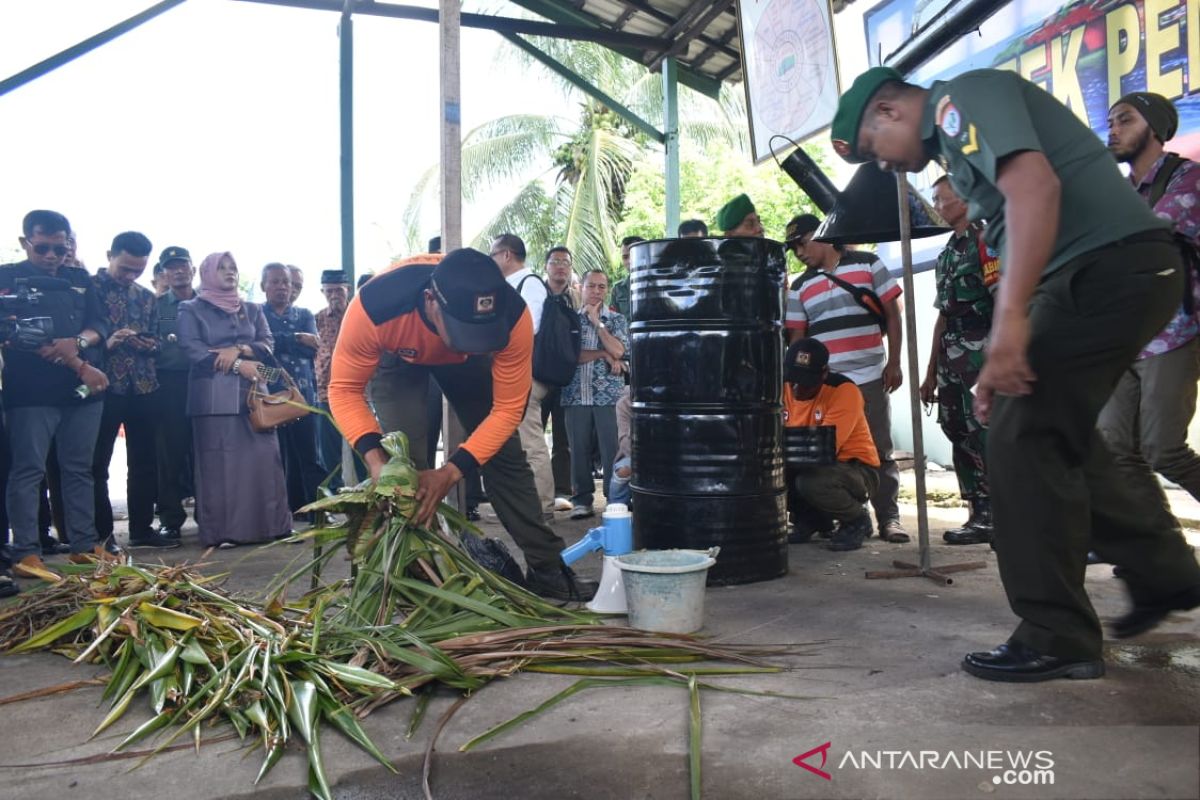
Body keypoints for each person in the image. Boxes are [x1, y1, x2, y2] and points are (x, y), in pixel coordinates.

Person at [831, 65, 1200, 682]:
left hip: (1108, 267)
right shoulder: (957, 138)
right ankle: (1163, 573)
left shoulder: (961, 100)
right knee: (1058, 431)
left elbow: (1034, 189)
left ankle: (1057, 635)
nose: (889, 167)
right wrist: (1008, 347)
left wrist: (1006, 331)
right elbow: (1021, 233)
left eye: (876, 152)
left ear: (890, 112)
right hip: (1097, 275)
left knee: (1020, 437)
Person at [328, 249, 598, 601]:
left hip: (464, 363)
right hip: (398, 356)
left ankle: (547, 568)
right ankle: (418, 575)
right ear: (431, 301)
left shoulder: (511, 316)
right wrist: (376, 461)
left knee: (506, 454)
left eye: (483, 331)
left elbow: (506, 411)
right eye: (465, 330)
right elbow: (344, 390)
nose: (474, 341)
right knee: (404, 468)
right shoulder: (375, 308)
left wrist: (453, 471)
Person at [2, 210, 115, 577]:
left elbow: (101, 323)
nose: (52, 256)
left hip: (82, 392)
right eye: (43, 247)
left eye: (60, 248)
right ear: (25, 243)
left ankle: (83, 545)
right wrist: (70, 358)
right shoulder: (7, 277)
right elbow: (13, 331)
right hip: (32, 391)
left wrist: (77, 343)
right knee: (29, 470)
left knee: (79, 469)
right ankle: (26, 553)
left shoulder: (79, 278)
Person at [1099, 92, 1200, 502]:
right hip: (1124, 339)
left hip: (1171, 332)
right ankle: (1153, 554)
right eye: (1110, 122)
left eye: (1125, 120)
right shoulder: (1120, 193)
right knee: (1115, 449)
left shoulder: (1186, 178)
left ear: (1156, 128)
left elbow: (1146, 233)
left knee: (1164, 450)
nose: (1114, 130)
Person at [783, 213, 908, 543]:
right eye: (793, 249)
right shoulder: (800, 285)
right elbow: (797, 337)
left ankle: (889, 518)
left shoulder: (868, 264)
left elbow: (893, 315)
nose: (798, 252)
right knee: (812, 451)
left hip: (869, 374)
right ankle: (816, 518)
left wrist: (894, 361)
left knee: (879, 448)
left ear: (821, 235)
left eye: (801, 243)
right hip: (824, 384)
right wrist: (794, 379)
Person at [177, 252, 291, 548]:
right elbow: (193, 351)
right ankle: (223, 532)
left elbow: (267, 343)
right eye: (223, 268)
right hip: (213, 401)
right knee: (221, 467)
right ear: (208, 273)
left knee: (265, 462)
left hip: (256, 396)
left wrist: (238, 348)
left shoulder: (252, 309)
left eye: (233, 268)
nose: (230, 273)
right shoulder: (190, 309)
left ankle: (273, 527)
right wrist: (241, 364)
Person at [918, 177, 999, 545]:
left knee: (986, 431)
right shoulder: (947, 252)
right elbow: (942, 316)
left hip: (982, 349)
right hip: (952, 354)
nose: (936, 205)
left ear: (964, 201)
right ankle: (978, 512)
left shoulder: (987, 243)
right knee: (957, 430)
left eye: (941, 198)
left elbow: (1003, 302)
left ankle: (1002, 510)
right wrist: (930, 372)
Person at [91, 231, 177, 550]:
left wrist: (145, 343)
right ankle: (102, 535)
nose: (130, 276)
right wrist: (108, 342)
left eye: (137, 270)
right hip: (104, 386)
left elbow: (159, 341)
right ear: (109, 255)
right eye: (124, 268)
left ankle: (142, 529)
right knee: (97, 463)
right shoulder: (89, 289)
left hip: (144, 385)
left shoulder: (146, 297)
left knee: (145, 461)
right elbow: (79, 339)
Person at [782, 338, 879, 552]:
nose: (798, 388)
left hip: (854, 469)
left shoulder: (844, 390)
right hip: (806, 462)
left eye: (806, 382)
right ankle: (814, 520)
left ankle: (857, 520)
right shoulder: (782, 388)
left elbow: (824, 448)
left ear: (824, 373)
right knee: (771, 477)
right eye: (794, 380)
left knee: (810, 482)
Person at [489, 234, 557, 521]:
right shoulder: (514, 286)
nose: (490, 261)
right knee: (515, 440)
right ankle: (524, 506)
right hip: (514, 374)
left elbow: (528, 329)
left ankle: (542, 506)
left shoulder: (529, 285)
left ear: (506, 255)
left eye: (493, 255)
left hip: (527, 374)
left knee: (530, 440)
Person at [561, 269, 628, 519]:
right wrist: (602, 354)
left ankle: (616, 499)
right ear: (582, 288)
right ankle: (581, 500)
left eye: (602, 287)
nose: (596, 291)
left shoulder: (616, 320)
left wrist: (598, 325)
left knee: (612, 448)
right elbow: (572, 356)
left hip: (608, 395)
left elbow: (620, 351)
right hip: (575, 393)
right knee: (578, 448)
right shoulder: (570, 320)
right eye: (591, 286)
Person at [261, 263, 324, 518]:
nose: (282, 287)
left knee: (309, 455)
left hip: (303, 394)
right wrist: (295, 338)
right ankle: (281, 511)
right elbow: (260, 349)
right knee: (275, 456)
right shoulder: (256, 314)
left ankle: (315, 509)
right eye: (275, 282)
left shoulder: (304, 314)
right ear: (263, 286)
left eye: (286, 282)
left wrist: (281, 342)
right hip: (269, 392)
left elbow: (312, 348)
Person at [153, 246, 197, 538]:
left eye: (183, 266)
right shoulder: (155, 306)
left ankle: (211, 514)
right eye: (172, 267)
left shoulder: (208, 303)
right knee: (169, 451)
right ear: (164, 274)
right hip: (169, 383)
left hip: (205, 382)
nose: (178, 271)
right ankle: (171, 519)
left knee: (206, 451)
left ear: (193, 270)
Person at [543, 247, 577, 506]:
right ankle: (536, 490)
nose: (560, 267)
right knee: (533, 435)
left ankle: (563, 489)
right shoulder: (535, 293)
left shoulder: (576, 298)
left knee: (564, 437)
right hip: (538, 375)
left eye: (565, 262)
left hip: (567, 376)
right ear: (546, 267)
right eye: (555, 262)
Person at [315, 269, 351, 488]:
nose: (334, 295)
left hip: (358, 392)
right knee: (329, 450)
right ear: (322, 292)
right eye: (329, 291)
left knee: (362, 446)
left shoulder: (357, 315)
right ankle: (334, 495)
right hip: (326, 392)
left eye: (338, 290)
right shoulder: (317, 319)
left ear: (347, 290)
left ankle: (369, 494)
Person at [608, 235, 644, 318]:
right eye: (625, 257)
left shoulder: (658, 284)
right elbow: (613, 320)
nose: (629, 261)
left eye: (634, 255)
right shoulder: (618, 289)